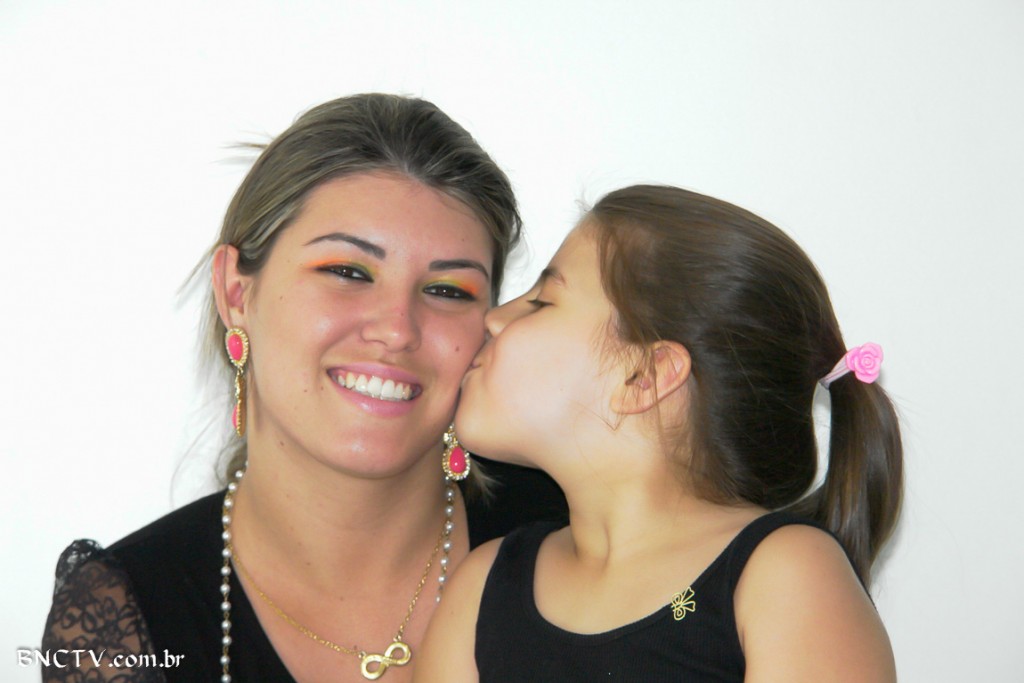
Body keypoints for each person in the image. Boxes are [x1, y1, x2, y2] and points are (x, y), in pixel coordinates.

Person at [42, 93, 567, 683]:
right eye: (347, 272)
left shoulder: (580, 530)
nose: (397, 330)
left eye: (448, 291)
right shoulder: (120, 616)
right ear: (237, 293)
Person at [417, 184, 903, 682]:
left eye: (542, 301)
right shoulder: (481, 588)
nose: (494, 318)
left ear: (645, 377)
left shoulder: (783, 575)